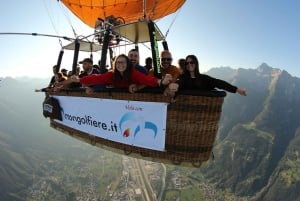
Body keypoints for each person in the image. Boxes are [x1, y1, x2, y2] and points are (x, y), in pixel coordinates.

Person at [57, 54, 177, 94]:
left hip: (129, 98)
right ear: (115, 64)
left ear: (127, 64)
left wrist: (160, 81)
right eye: (118, 63)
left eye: (123, 62)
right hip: (117, 94)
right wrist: (79, 80)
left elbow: (145, 79)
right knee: (98, 85)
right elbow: (96, 78)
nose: (120, 65)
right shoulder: (111, 74)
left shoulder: (132, 73)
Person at [174, 55, 247, 96]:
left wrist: (237, 90)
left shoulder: (203, 78)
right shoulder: (183, 78)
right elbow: (179, 83)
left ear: (196, 63)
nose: (189, 64)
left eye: (191, 62)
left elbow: (219, 83)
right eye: (187, 63)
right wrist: (173, 87)